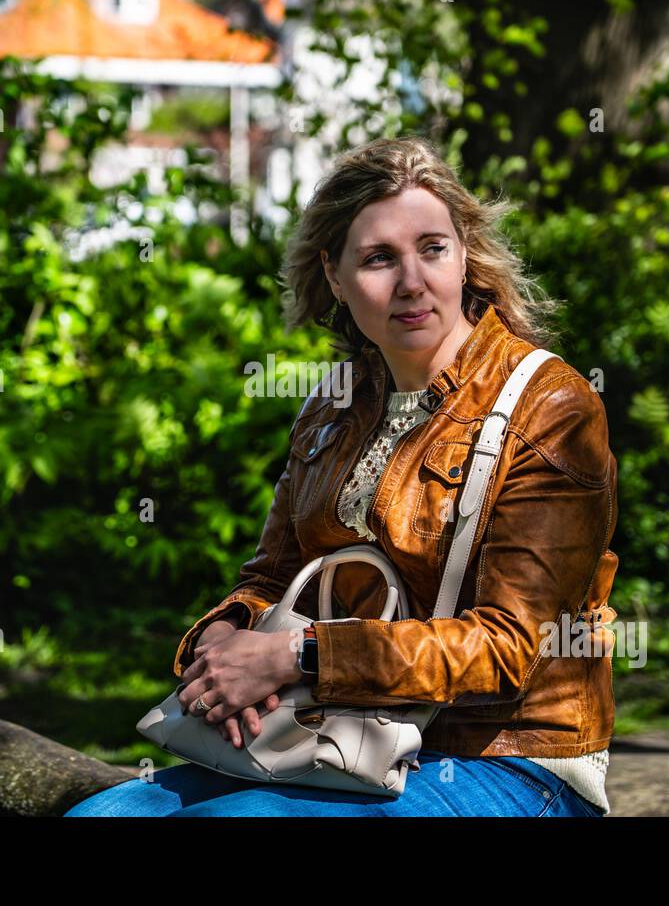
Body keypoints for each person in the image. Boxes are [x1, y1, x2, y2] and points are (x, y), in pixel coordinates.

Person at [67, 135, 619, 817]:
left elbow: (510, 647)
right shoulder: (332, 403)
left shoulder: (550, 405)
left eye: (433, 249)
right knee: (98, 816)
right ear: (333, 275)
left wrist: (299, 657)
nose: (412, 281)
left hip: (504, 757)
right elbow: (270, 577)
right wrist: (221, 642)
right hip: (331, 737)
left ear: (466, 254)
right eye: (380, 258)